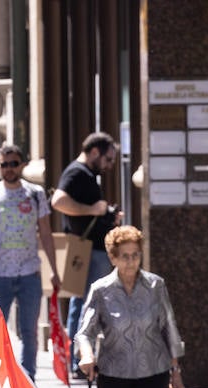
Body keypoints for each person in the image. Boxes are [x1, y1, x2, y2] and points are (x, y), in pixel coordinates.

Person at [76, 225, 184, 388]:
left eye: (135, 255)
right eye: (124, 256)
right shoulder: (101, 290)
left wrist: (175, 371)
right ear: (113, 257)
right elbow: (84, 332)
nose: (131, 261)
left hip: (153, 370)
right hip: (113, 371)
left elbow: (169, 326)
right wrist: (86, 355)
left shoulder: (156, 286)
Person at [0, 142, 60, 380]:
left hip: (29, 273)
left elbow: (45, 233)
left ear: (22, 164)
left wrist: (54, 269)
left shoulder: (35, 194)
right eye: (4, 165)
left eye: (13, 164)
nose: (9, 169)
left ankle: (28, 380)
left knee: (29, 331)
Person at [52, 131, 122, 369]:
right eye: (108, 159)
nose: (109, 165)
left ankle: (80, 357)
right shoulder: (77, 172)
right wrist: (93, 210)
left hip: (92, 248)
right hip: (88, 250)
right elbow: (59, 201)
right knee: (86, 304)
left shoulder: (86, 173)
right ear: (94, 152)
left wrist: (107, 215)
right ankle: (80, 359)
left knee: (85, 303)